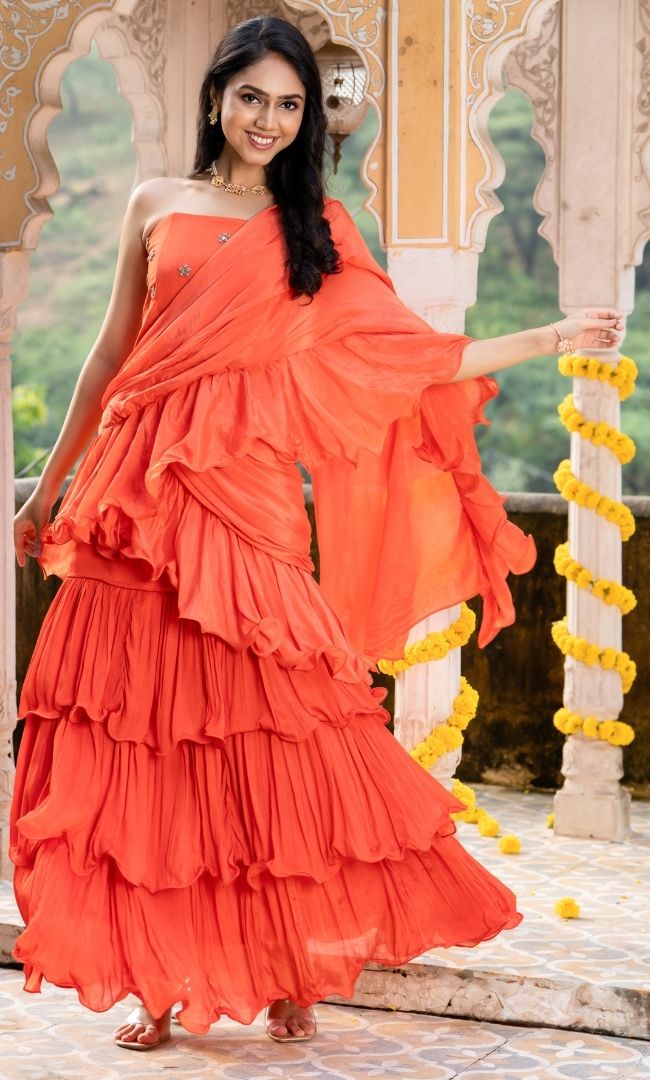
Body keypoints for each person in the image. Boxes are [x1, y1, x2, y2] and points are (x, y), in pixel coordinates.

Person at [11, 14, 622, 1054]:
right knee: (147, 741)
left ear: (306, 120)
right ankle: (160, 983)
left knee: (274, 736)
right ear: (216, 98)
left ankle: (290, 964)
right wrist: (47, 488)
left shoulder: (317, 230)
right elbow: (111, 355)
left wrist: (551, 336)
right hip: (138, 501)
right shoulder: (154, 201)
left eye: (289, 105)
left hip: (248, 511)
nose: (267, 119)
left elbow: (409, 355)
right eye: (251, 96)